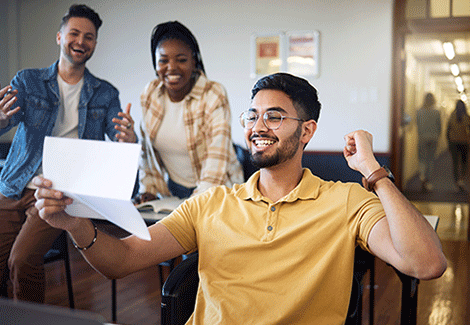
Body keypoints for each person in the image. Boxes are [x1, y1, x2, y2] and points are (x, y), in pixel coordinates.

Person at [34, 73, 447, 324]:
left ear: (307, 131)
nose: (257, 126)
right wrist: (75, 224)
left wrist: (373, 172)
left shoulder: (345, 202)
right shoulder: (210, 203)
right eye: (252, 115)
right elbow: (120, 261)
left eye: (275, 116)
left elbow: (425, 263)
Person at [0, 4, 137, 303]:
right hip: (14, 184)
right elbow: (5, 121)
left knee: (22, 261)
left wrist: (129, 139)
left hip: (59, 191)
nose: (81, 41)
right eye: (74, 33)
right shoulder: (28, 80)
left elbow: (120, 140)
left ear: (95, 45)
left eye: (89, 37)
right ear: (60, 36)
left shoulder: (105, 93)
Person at [134, 21, 243, 202]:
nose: (171, 68)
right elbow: (147, 153)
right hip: (173, 191)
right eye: (163, 60)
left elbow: (217, 158)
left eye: (181, 60)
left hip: (218, 189)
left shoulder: (213, 94)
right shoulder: (150, 93)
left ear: (194, 61)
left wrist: (197, 201)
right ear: (155, 62)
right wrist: (149, 189)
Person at [416, 93, 442, 191]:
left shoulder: (419, 111)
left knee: (422, 159)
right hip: (433, 138)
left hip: (422, 138)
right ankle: (427, 181)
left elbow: (418, 125)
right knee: (430, 160)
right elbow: (439, 126)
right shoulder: (436, 112)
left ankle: (422, 177)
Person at [446, 100, 470, 191]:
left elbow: (448, 130)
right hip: (464, 142)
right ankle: (462, 180)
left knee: (455, 163)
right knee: (464, 163)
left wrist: (448, 142)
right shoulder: (466, 116)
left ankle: (457, 182)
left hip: (454, 142)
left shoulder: (452, 115)